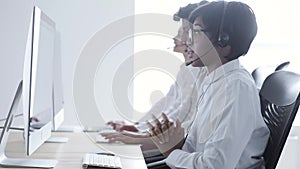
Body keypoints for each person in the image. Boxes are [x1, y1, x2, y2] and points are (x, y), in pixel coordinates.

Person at [147, 1, 270, 169]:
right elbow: (197, 150)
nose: (188, 41)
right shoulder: (213, 82)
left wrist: (171, 152)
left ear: (223, 41)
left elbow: (215, 165)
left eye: (196, 32)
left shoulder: (236, 88)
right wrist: (173, 142)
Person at [103, 1, 209, 146]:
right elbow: (168, 105)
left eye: (183, 30)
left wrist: (141, 134)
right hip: (170, 144)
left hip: (176, 148)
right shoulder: (187, 70)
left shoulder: (202, 73)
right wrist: (138, 127)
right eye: (182, 31)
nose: (179, 37)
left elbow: (180, 116)